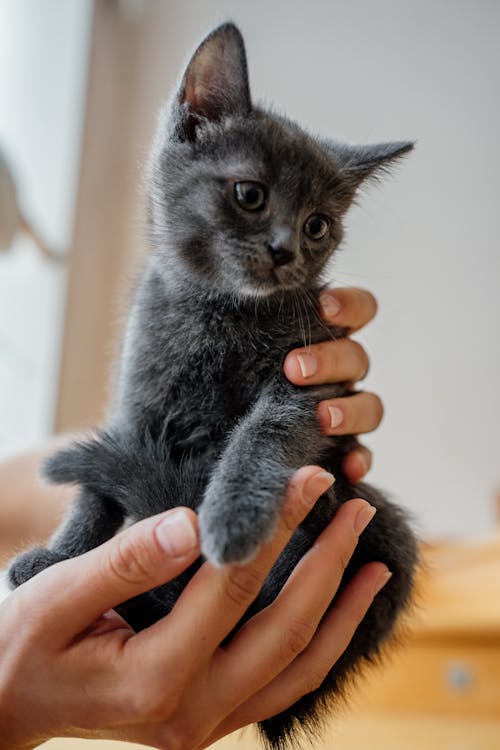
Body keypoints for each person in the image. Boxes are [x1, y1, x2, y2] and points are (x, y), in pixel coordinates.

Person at [0, 288, 388, 750]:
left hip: (272, 569)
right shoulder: (160, 302)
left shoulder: (292, 308)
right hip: (212, 582)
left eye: (317, 227)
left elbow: (138, 444)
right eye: (248, 207)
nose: (285, 245)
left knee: (371, 528)